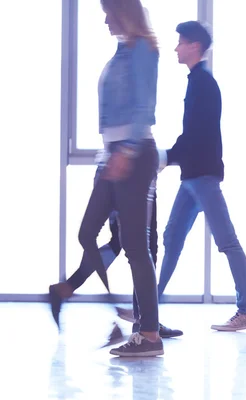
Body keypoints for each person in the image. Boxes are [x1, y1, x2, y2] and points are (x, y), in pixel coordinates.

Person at [75, 0, 163, 356]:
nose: (105, 19)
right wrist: (111, 154)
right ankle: (118, 314)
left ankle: (151, 335)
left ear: (124, 12)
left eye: (109, 13)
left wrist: (125, 153)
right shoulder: (121, 50)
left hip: (135, 153)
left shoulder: (143, 48)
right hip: (113, 154)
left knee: (136, 247)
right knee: (87, 232)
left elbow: (145, 106)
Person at [154, 20, 246, 331]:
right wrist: (171, 159)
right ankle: (148, 307)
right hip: (192, 177)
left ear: (194, 46)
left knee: (227, 241)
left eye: (180, 42)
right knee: (172, 238)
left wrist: (166, 157)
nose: (176, 48)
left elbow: (197, 134)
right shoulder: (197, 80)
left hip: (203, 176)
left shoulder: (203, 83)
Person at [48, 153, 183, 340]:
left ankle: (66, 289)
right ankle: (145, 322)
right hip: (129, 172)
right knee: (143, 248)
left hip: (122, 171)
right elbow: (134, 137)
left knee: (124, 243)